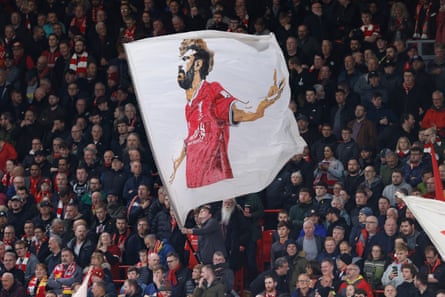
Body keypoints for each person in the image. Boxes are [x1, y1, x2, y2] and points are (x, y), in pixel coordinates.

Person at [169, 38, 285, 188]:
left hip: (215, 183)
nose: (179, 66)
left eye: (185, 59)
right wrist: (176, 164)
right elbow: (192, 137)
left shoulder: (212, 92)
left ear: (198, 64)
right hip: (194, 183)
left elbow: (242, 113)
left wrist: (263, 103)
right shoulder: (188, 106)